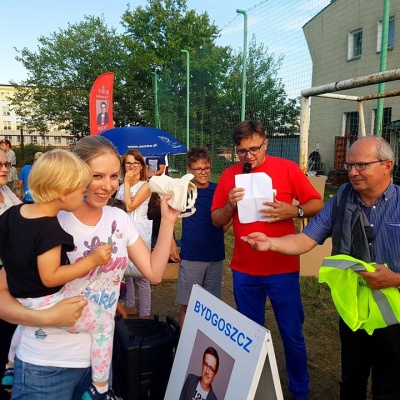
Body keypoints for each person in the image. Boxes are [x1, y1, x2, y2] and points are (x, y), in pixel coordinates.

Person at [0, 135, 179, 400]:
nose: (107, 186)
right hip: (46, 364)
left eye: (113, 176)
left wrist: (168, 220)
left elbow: (153, 273)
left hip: (97, 361)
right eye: (97, 176)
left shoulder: (118, 218)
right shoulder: (47, 218)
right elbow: (4, 291)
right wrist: (45, 318)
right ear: (76, 173)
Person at [241, 135, 400, 400]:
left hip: (395, 315)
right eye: (349, 165)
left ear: (387, 165)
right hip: (353, 311)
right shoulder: (342, 199)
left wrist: (394, 278)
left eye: (361, 165)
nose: (352, 172)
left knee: (390, 385)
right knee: (352, 379)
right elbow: (306, 239)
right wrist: (271, 243)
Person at [211, 120, 323, 400]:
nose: (248, 156)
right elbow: (216, 220)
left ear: (266, 144)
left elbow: (317, 203)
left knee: (291, 334)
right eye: (241, 151)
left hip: (282, 269)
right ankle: (253, 388)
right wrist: (230, 205)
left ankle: (300, 390)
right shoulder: (230, 176)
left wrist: (294, 211)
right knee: (250, 335)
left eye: (253, 149)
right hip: (245, 271)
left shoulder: (287, 169)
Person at [0, 149, 114, 396]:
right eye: (82, 190)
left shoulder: (11, 215)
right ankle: (100, 388)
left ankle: (10, 367)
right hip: (46, 301)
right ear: (63, 193)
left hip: (22, 297)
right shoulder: (50, 230)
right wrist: (92, 260)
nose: (84, 195)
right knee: (105, 323)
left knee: (23, 322)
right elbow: (50, 277)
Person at [177, 147, 228, 329]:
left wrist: (223, 227)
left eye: (206, 168)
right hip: (192, 257)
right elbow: (167, 216)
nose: (203, 172)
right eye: (198, 169)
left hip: (215, 256)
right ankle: (183, 347)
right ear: (189, 170)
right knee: (188, 304)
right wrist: (170, 244)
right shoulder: (183, 191)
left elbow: (226, 217)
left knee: (211, 306)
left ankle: (205, 344)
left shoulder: (217, 190)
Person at [116, 149, 152, 319]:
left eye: (135, 163)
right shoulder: (121, 186)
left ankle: (145, 314)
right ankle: (130, 305)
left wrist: (128, 183)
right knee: (126, 272)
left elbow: (129, 207)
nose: (131, 166)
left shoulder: (145, 185)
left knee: (141, 274)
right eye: (128, 163)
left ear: (141, 166)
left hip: (138, 229)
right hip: (123, 230)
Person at [0, 149, 22, 400]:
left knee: (9, 330)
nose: (4, 168)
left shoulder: (6, 192)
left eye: (6, 164)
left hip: (11, 270)